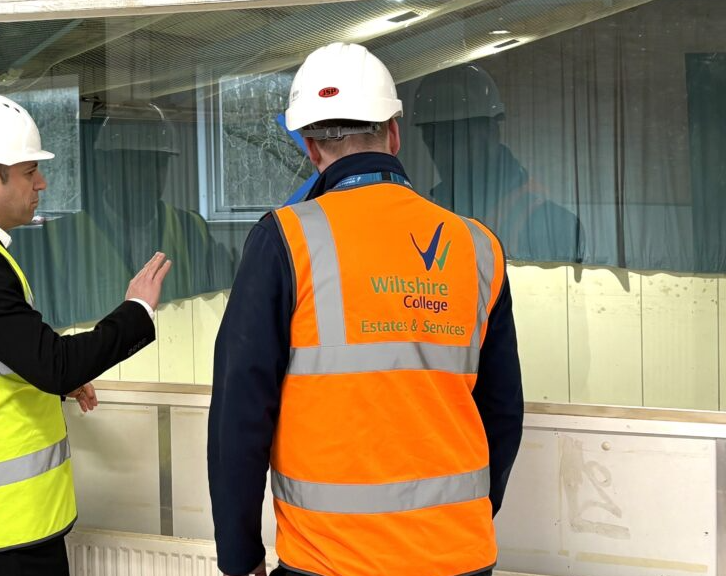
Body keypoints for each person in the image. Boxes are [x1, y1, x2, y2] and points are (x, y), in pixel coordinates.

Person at [207, 43, 524, 576]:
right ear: (393, 134)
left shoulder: (286, 239)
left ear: (310, 147)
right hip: (460, 555)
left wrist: (239, 558)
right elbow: (503, 411)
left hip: (331, 559)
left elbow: (239, 415)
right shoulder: (476, 247)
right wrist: (465, 517)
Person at [0, 92, 171, 576]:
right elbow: (53, 362)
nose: (41, 182)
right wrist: (136, 311)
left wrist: (51, 378)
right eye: (28, 172)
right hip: (4, 527)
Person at [32, 101, 235, 327]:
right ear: (105, 166)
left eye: (158, 163)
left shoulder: (191, 228)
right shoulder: (61, 238)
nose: (149, 175)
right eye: (137, 163)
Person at [413, 62, 584, 263]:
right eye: (431, 140)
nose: (440, 152)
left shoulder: (550, 222)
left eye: (452, 138)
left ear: (490, 133)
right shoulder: (430, 215)